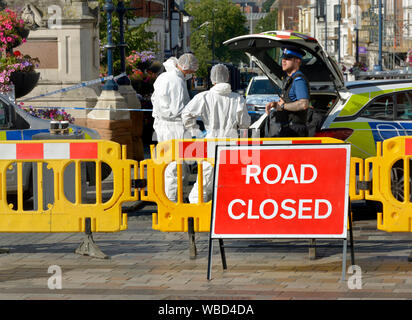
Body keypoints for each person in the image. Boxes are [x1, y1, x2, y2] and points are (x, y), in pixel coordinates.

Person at [182, 64, 251, 203]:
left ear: (212, 79)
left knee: (204, 181)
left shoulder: (204, 97)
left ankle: (197, 215)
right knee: (229, 181)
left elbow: (186, 115)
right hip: (231, 143)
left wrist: (196, 132)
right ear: (228, 78)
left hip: (211, 143)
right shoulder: (237, 99)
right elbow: (245, 123)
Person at [151, 53, 199, 201]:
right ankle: (173, 201)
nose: (192, 75)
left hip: (162, 127)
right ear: (188, 68)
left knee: (168, 166)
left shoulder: (163, 77)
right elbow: (179, 109)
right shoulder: (177, 82)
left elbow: (155, 100)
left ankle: (172, 198)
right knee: (177, 168)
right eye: (192, 72)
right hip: (175, 128)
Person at [265, 46, 310, 137]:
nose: (283, 61)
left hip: (295, 131)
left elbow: (303, 104)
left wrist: (282, 105)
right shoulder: (289, 79)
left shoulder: (299, 80)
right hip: (287, 129)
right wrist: (275, 104)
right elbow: (288, 102)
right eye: (283, 58)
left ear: (297, 61)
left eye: (288, 58)